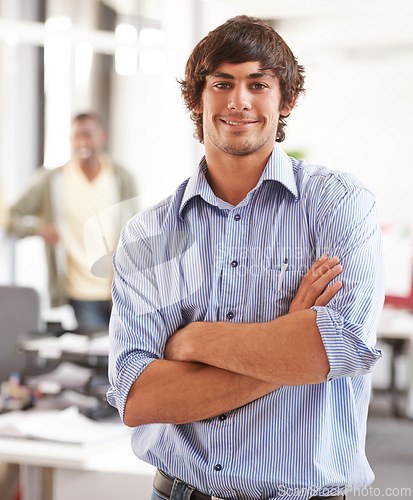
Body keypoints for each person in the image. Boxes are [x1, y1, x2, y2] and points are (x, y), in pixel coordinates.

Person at [108, 15, 384, 500]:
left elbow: (337, 348)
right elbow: (138, 398)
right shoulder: (148, 235)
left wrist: (194, 341)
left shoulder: (336, 204)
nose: (239, 101)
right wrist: (287, 340)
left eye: (258, 83)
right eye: (222, 83)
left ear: (287, 99)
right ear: (196, 98)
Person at [8, 113, 137, 332]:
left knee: (122, 359)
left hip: (120, 291)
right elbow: (12, 216)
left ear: (102, 137)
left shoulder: (121, 178)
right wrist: (37, 229)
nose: (81, 143)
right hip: (81, 293)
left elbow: (138, 226)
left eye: (87, 135)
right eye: (75, 137)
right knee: (97, 360)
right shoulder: (52, 180)